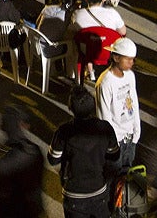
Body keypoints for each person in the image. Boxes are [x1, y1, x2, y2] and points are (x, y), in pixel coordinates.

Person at [47, 85, 120, 218]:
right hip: (99, 190)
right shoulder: (105, 128)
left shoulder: (64, 131)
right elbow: (114, 155)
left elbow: (53, 159)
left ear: (71, 108)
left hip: (74, 194)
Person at [96, 37, 141, 174]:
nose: (131, 63)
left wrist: (136, 132)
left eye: (133, 59)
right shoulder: (105, 82)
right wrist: (113, 142)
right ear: (116, 57)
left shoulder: (130, 76)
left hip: (130, 138)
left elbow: (134, 102)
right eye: (128, 59)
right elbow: (104, 117)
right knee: (112, 178)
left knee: (126, 178)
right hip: (116, 142)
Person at [0, 105, 44, 218]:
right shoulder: (35, 151)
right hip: (32, 208)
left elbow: (2, 191)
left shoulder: (5, 156)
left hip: (11, 210)